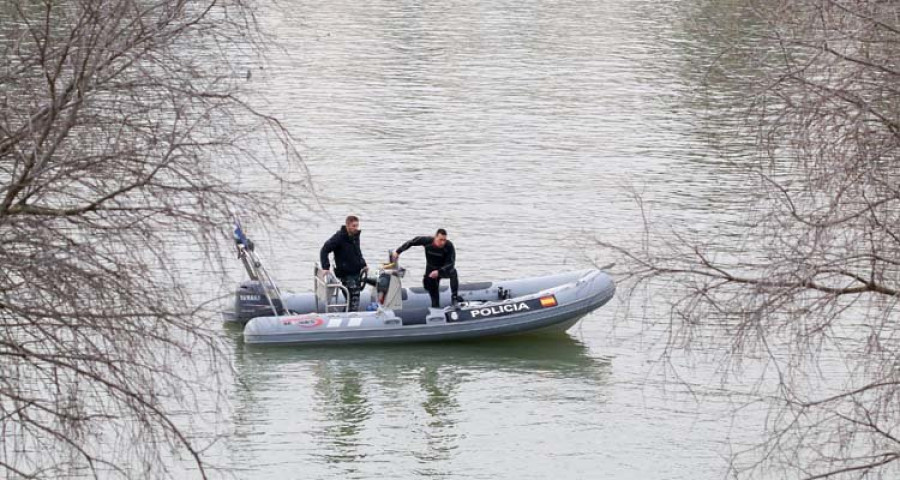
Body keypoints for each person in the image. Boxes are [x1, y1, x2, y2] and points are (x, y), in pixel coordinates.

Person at [392, 229, 460, 309]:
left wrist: (439, 271)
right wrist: (398, 252)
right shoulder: (427, 241)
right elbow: (412, 242)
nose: (442, 242)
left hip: (443, 270)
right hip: (431, 270)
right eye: (440, 240)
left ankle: (454, 299)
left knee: (453, 272)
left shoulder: (449, 246)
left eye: (444, 240)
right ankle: (436, 307)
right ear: (435, 237)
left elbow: (451, 263)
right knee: (429, 288)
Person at [320, 215, 367, 311]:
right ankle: (351, 318)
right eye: (353, 226)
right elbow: (324, 250)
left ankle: (346, 316)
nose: (356, 228)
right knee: (353, 299)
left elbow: (357, 251)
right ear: (347, 225)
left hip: (355, 272)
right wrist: (326, 267)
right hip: (345, 274)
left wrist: (363, 264)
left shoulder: (355, 236)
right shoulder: (339, 237)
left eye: (357, 226)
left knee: (352, 300)